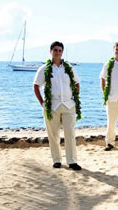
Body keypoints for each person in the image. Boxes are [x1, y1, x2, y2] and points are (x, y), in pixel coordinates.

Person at [33, 41, 82, 171]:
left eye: (60, 50)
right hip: (52, 106)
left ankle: (72, 161)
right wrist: (43, 103)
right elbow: (36, 86)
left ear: (62, 52)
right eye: (55, 50)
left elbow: (76, 83)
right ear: (51, 51)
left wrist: (74, 99)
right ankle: (57, 160)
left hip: (68, 105)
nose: (57, 52)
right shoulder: (44, 69)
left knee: (70, 133)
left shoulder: (69, 68)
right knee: (53, 134)